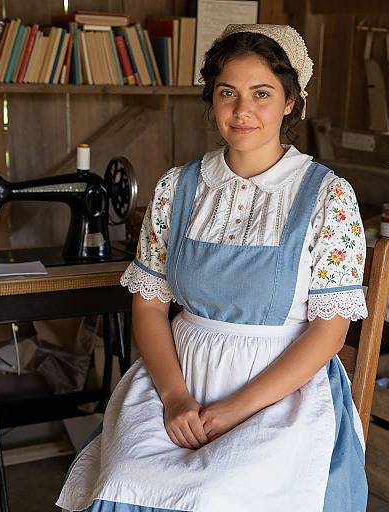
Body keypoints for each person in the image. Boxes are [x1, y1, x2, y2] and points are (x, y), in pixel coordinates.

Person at [57, 23, 368, 512]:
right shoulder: (177, 189)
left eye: (261, 93)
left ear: (290, 102)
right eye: (228, 93)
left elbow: (329, 333)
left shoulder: (327, 196)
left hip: (280, 388)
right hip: (179, 374)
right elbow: (150, 306)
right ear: (212, 101)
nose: (242, 110)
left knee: (215, 494)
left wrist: (231, 411)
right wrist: (176, 397)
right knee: (124, 477)